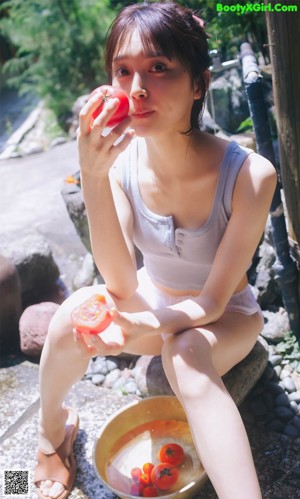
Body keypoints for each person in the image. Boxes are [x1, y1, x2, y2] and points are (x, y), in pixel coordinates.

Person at [34, 2, 277, 498]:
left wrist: (146, 325)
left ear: (198, 83)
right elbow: (121, 283)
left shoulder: (250, 175)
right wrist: (95, 177)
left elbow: (210, 303)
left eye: (159, 68)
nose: (136, 88)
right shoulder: (121, 167)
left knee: (184, 353)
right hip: (153, 301)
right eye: (123, 71)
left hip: (223, 316)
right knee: (73, 314)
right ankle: (50, 435)